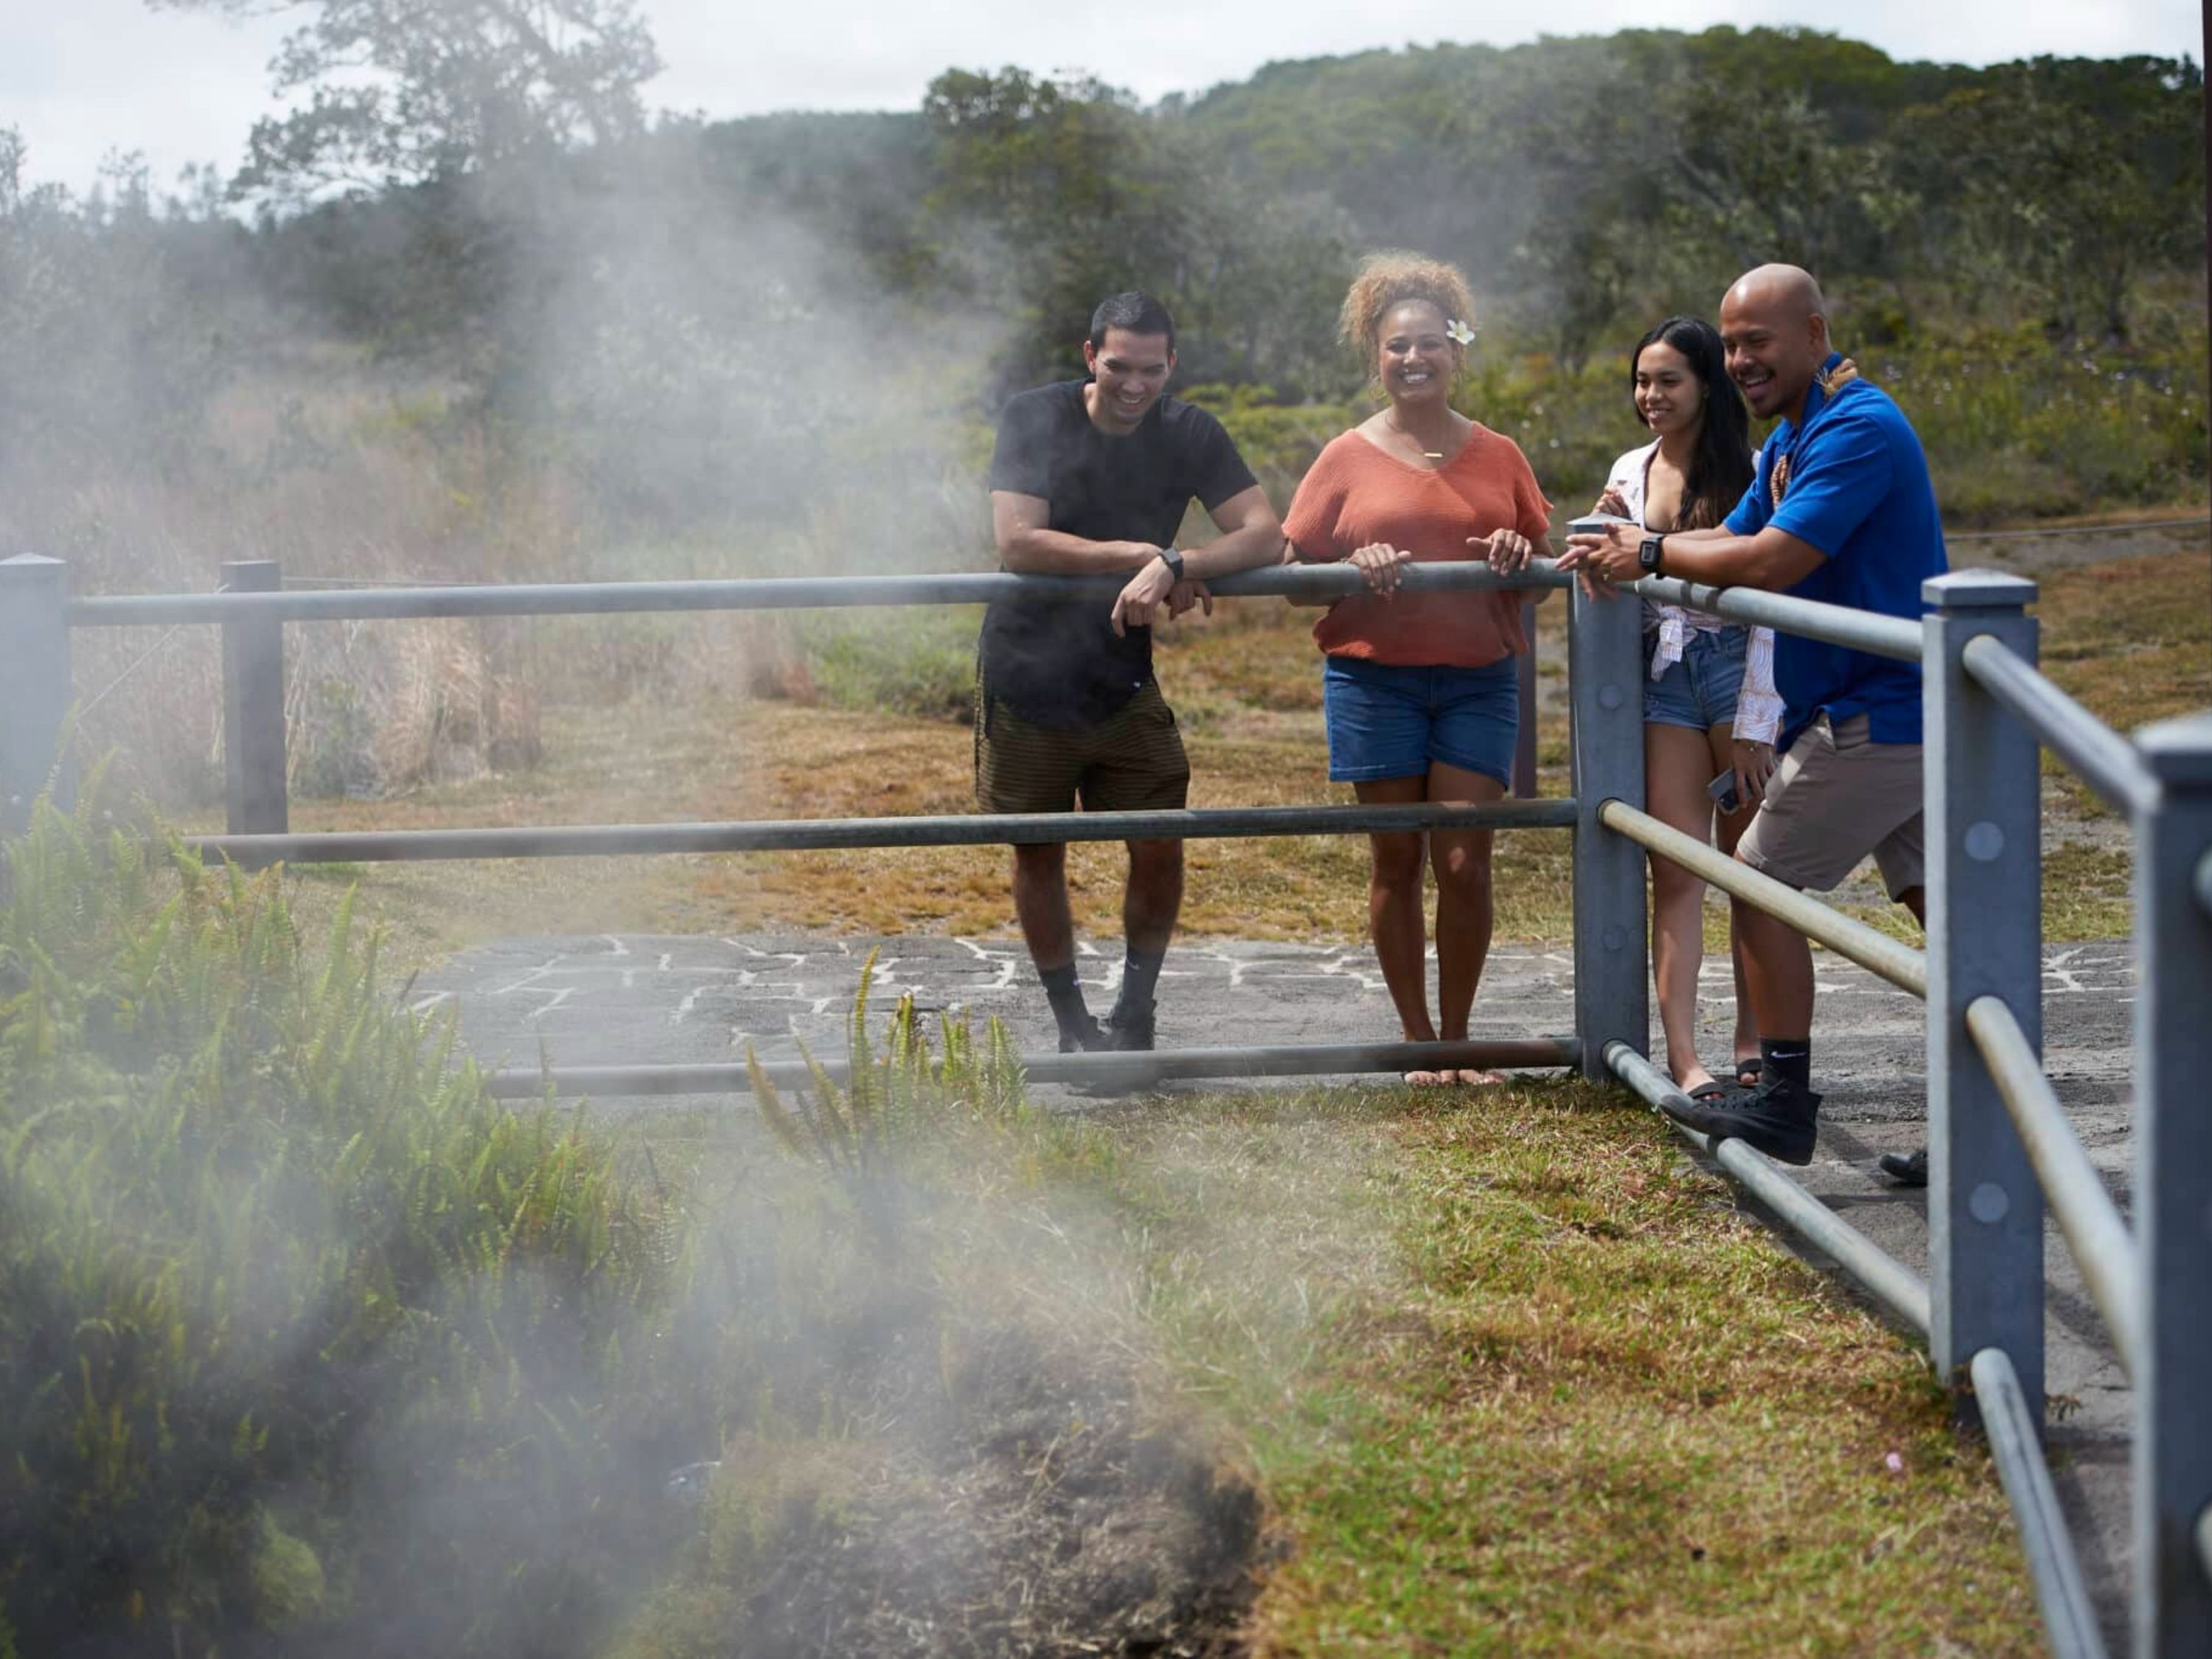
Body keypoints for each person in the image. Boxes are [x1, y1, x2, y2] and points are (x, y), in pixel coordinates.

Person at [1561, 264, 1947, 1175]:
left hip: (1875, 713)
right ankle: (1993, 1123)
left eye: (1757, 342)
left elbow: (1768, 560)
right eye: (1731, 345)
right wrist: (1639, 546)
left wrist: (1645, 550)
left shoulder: (1857, 429)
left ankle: (1782, 1097)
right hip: (1890, 707)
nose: (1740, 360)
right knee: (1962, 927)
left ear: (1815, 333)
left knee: (1760, 880)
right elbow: (1730, 535)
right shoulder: (1793, 438)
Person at [978, 291, 1284, 1054]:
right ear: (1091, 357)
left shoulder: (1189, 431)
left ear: (1172, 364)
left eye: (1152, 369)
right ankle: (1072, 1025)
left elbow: (1264, 533)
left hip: (1123, 678)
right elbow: (1019, 543)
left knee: (1157, 839)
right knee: (1038, 851)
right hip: (1026, 672)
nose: (1135, 385)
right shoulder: (1034, 417)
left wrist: (1183, 561)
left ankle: (1135, 1011)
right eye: (1119, 366)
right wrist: (1142, 557)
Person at [1281, 252, 1551, 1087]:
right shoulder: (1345, 456)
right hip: (1375, 679)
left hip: (1477, 676)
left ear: (1455, 349)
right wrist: (1349, 563)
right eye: (1397, 346)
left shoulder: (1500, 453)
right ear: (1376, 353)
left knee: (1466, 862)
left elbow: (1542, 558)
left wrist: (1517, 550)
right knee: (1395, 861)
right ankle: (1417, 1041)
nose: (1413, 360)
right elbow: (1295, 573)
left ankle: (1459, 1041)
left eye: (1429, 344)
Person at [1593, 316, 1784, 1101]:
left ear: (1707, 384)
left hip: (1739, 671)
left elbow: (1775, 598)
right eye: (1642, 381)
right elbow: (1613, 577)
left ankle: (1753, 1039)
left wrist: (1757, 723)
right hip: (1665, 678)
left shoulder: (1752, 469)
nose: (1651, 396)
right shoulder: (1629, 472)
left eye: (1668, 381)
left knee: (1751, 869)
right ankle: (1683, 1057)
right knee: (1676, 870)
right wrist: (1596, 550)